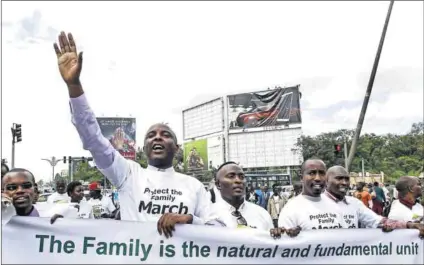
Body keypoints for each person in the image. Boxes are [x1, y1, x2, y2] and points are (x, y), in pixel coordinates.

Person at [53, 31, 217, 237]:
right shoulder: (129, 175)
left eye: (165, 135)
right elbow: (93, 139)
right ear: (144, 147)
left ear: (177, 149)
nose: (157, 137)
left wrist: (190, 220)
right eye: (151, 135)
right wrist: (74, 86)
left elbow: (218, 230)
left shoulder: (194, 186)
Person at [274, 164, 424, 238]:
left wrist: (410, 225)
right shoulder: (299, 205)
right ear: (327, 180)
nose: (344, 183)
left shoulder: (354, 204)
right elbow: (284, 239)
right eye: (339, 178)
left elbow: (379, 221)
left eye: (346, 179)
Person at [212, 162, 274, 230]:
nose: (238, 180)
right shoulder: (207, 216)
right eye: (231, 176)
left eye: (242, 177)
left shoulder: (262, 214)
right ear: (218, 184)